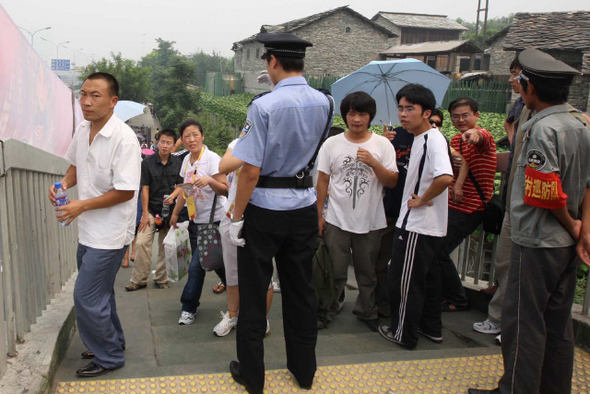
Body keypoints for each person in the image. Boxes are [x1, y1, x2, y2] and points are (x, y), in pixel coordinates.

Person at [468, 49, 590, 394]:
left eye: (520, 82)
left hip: (537, 240)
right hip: (564, 244)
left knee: (523, 323)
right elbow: (587, 183)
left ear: (531, 87)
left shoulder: (543, 129)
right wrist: (582, 231)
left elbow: (543, 190)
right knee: (557, 324)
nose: (517, 86)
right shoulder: (580, 122)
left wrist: (571, 224)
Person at [227, 32, 332, 394]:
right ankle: (304, 371)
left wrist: (237, 217)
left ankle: (253, 377)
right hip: (303, 208)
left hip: (264, 211)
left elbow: (250, 170)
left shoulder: (264, 105)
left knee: (255, 294)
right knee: (300, 290)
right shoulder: (326, 102)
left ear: (271, 61)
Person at [48, 72, 141, 377]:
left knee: (86, 296)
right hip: (88, 228)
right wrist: (62, 184)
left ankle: (110, 356)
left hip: (111, 233)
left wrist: (80, 205)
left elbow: (126, 190)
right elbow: (77, 165)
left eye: (95, 95)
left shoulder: (124, 139)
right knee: (101, 294)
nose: (86, 101)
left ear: (113, 101)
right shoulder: (83, 129)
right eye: (83, 94)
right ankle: (111, 342)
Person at [378, 83, 453, 349]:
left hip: (417, 226)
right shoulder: (425, 138)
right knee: (428, 281)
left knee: (404, 282)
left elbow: (445, 177)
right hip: (428, 227)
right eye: (400, 107)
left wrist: (422, 199)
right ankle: (431, 328)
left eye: (410, 108)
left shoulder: (432, 139)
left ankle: (403, 334)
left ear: (426, 113)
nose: (403, 114)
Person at [316, 91, 398, 332]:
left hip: (370, 220)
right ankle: (327, 309)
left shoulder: (382, 145)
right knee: (335, 270)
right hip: (336, 219)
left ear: (370, 116)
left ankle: (367, 310)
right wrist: (318, 215)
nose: (357, 119)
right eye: (352, 113)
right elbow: (322, 181)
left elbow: (392, 181)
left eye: (362, 113)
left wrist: (374, 162)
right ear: (345, 115)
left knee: (368, 271)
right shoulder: (332, 143)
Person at [472, 57, 525, 338]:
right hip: (514, 197)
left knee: (525, 269)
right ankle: (501, 318)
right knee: (505, 261)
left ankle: (512, 325)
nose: (511, 80)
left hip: (539, 208)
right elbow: (509, 130)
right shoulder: (520, 107)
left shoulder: (560, 123)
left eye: (516, 75)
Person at [438, 98, 496, 313]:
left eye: (465, 115)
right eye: (455, 116)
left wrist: (475, 135)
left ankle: (457, 299)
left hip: (470, 208)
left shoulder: (483, 136)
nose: (460, 120)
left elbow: (482, 138)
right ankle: (447, 295)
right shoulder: (453, 140)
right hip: (452, 206)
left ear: (476, 115)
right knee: (437, 249)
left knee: (439, 250)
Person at [169, 119, 228, 325]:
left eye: (195, 134)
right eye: (186, 136)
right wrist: (176, 213)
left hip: (215, 221)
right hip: (196, 221)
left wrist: (210, 181)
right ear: (182, 140)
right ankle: (236, 287)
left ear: (203, 136)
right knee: (214, 261)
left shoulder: (212, 159)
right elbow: (185, 190)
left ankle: (188, 307)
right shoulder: (187, 161)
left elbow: (225, 188)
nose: (191, 139)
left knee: (197, 266)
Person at [214, 139, 274, 337]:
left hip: (262, 212)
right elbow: (224, 165)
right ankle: (233, 315)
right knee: (232, 271)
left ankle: (260, 318)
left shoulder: (274, 141)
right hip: (231, 213)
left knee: (263, 272)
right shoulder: (239, 142)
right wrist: (251, 149)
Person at [125, 129, 183, 291]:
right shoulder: (147, 163)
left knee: (166, 246)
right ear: (157, 142)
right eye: (162, 142)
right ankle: (139, 279)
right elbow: (145, 189)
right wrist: (144, 214)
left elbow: (181, 186)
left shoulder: (178, 163)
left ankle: (161, 278)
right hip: (151, 209)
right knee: (142, 242)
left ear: (173, 145)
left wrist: (173, 196)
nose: (165, 146)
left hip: (170, 211)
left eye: (169, 143)